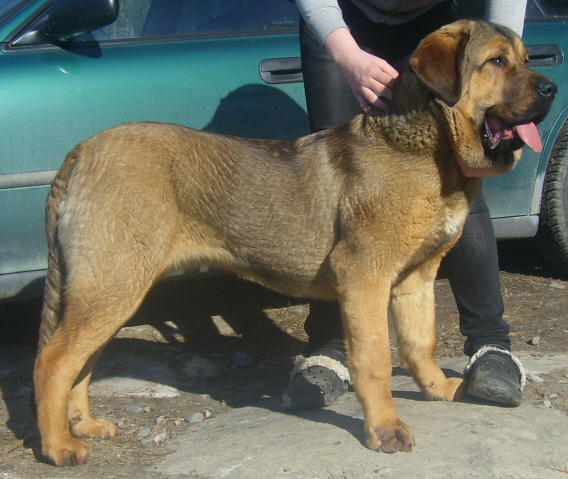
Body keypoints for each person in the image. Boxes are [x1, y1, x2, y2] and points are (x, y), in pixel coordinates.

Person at [282, 0, 528, 410]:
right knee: (337, 192)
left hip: (439, 13)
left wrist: (502, 50)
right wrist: (346, 53)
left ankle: (490, 346)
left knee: (458, 183)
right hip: (346, 15)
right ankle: (333, 349)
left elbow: (500, 34)